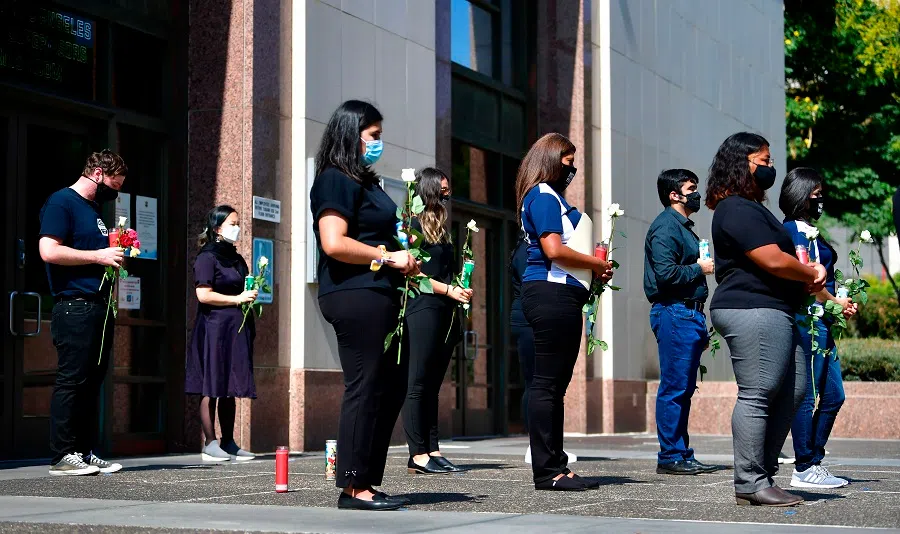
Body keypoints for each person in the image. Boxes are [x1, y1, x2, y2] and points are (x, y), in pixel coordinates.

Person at [706, 132, 826, 507]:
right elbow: (772, 259)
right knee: (758, 394)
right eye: (765, 161)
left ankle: (763, 473)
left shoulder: (751, 208)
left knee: (795, 390)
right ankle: (750, 481)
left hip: (772, 308)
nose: (771, 169)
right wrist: (810, 272)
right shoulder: (734, 208)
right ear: (742, 164)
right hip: (751, 308)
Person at [310, 100, 418, 511]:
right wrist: (389, 257)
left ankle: (368, 479)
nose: (379, 143)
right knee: (366, 385)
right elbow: (333, 242)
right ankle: (353, 486)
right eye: (373, 136)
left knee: (389, 388)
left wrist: (403, 255)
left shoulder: (364, 182)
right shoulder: (334, 179)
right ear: (351, 134)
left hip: (379, 293)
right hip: (354, 293)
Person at [515, 133, 613, 491]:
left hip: (560, 296)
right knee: (547, 384)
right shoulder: (541, 195)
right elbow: (553, 249)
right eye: (567, 162)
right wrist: (594, 264)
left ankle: (556, 465)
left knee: (554, 387)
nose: (571, 169)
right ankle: (547, 471)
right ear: (550, 160)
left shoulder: (551, 197)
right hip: (549, 293)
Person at [38, 149, 127, 476]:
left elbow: (97, 254)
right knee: (72, 380)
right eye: (115, 184)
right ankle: (62, 455)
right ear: (99, 173)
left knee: (92, 382)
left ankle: (83, 451)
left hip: (98, 306)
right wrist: (99, 256)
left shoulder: (94, 209)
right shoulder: (62, 202)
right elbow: (48, 251)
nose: (115, 191)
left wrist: (114, 256)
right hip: (74, 305)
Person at [779, 168, 857, 489]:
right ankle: (805, 465)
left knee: (834, 394)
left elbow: (822, 277)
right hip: (806, 321)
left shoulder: (810, 230)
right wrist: (835, 302)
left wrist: (841, 301)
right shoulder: (794, 232)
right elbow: (809, 279)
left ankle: (812, 459)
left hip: (822, 320)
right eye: (815, 195)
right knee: (808, 395)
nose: (821, 200)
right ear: (800, 196)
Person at [643, 169, 718, 476]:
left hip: (688, 314)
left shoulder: (683, 227)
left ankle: (681, 453)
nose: (695, 194)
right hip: (674, 312)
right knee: (675, 387)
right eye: (691, 189)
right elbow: (666, 274)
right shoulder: (665, 228)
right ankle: (671, 455)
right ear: (674, 195)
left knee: (684, 387)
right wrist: (699, 269)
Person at [402, 167, 473, 475]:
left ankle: (433, 449)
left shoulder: (441, 228)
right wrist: (449, 289)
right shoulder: (413, 225)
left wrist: (461, 286)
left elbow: (444, 270)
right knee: (417, 383)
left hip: (444, 310)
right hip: (423, 307)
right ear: (429, 189)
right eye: (443, 188)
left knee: (432, 386)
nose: (448, 192)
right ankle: (417, 454)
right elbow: (412, 273)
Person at [185, 205, 258, 462]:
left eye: (238, 223)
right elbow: (203, 294)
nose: (237, 228)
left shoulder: (236, 258)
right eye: (232, 223)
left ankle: (229, 442)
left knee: (229, 385)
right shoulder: (207, 257)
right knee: (212, 384)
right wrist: (238, 299)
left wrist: (250, 296)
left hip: (234, 328)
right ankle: (210, 442)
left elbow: (243, 287)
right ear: (217, 228)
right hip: (214, 328)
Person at [509, 234, 577, 466]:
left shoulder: (529, 249)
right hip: (528, 319)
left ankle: (548, 444)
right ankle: (535, 444)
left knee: (546, 383)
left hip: (531, 316)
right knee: (537, 382)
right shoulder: (526, 251)